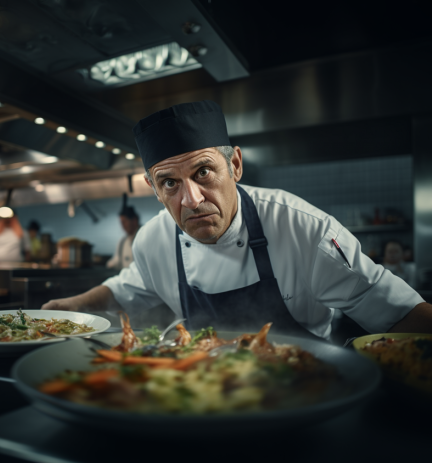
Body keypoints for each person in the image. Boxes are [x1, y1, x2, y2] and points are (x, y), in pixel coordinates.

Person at [42, 100, 432, 337]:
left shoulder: (303, 229)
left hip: (304, 385)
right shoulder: (152, 240)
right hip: (200, 388)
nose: (191, 200)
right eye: (169, 183)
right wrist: (70, 308)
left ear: (235, 165)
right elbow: (125, 289)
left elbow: (395, 313)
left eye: (203, 173)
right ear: (152, 187)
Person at [106, 194, 141, 270]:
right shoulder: (122, 241)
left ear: (134, 220)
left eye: (124, 222)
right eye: (121, 222)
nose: (122, 225)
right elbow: (116, 260)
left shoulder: (145, 236)